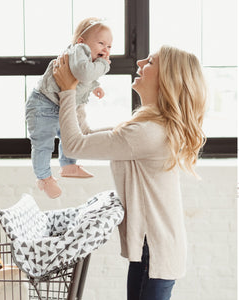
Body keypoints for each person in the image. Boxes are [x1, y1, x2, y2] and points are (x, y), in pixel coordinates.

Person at [53, 46, 207, 300]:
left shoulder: (146, 133)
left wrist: (67, 90)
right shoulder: (149, 127)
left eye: (151, 61)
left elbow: (73, 145)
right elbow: (86, 136)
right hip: (158, 247)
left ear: (166, 79)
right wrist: (79, 90)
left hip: (155, 251)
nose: (139, 61)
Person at [25, 17, 113, 199]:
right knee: (43, 144)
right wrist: (104, 65)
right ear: (81, 42)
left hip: (58, 104)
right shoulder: (78, 50)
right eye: (101, 43)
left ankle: (68, 165)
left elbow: (85, 76)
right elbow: (83, 72)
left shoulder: (86, 58)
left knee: (70, 134)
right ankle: (44, 178)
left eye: (110, 46)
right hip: (43, 104)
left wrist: (95, 85)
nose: (106, 49)